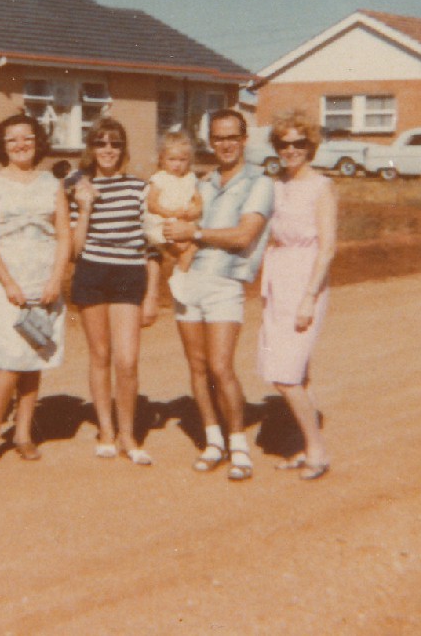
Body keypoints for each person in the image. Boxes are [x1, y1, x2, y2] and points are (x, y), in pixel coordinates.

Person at [163, 109, 273, 481]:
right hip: (189, 281)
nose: (225, 144)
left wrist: (193, 234)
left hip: (225, 283)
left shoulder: (259, 183)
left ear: (244, 139)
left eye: (232, 137)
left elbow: (244, 236)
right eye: (219, 138)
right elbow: (177, 231)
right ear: (211, 142)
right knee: (197, 367)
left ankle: (238, 444)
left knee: (220, 366)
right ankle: (213, 441)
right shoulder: (202, 184)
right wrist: (171, 238)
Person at [0, 114, 72, 467]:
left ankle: (23, 433)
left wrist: (55, 280)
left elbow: (64, 235)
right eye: (12, 139)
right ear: (3, 146)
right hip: (7, 284)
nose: (20, 145)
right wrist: (9, 283)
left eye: (27, 138)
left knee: (33, 359)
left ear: (37, 141)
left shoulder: (51, 183)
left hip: (44, 283)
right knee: (8, 361)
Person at [69, 117, 160, 465]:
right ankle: (106, 431)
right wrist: (85, 207)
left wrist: (152, 295)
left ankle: (128, 433)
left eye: (115, 143)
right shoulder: (77, 187)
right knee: (100, 356)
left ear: (122, 149)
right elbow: (74, 252)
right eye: (100, 143)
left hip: (128, 275)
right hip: (92, 273)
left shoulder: (140, 188)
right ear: (91, 148)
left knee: (127, 360)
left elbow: (152, 246)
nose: (107, 150)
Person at [258, 111, 336, 481]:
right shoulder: (276, 185)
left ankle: (317, 451)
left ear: (310, 147)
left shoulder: (321, 187)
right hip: (278, 278)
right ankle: (303, 448)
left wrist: (309, 297)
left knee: (285, 374)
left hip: (306, 280)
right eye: (284, 144)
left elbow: (328, 248)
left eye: (298, 144)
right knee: (297, 373)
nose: (291, 151)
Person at [144, 130, 203, 274]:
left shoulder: (190, 178)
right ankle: (171, 268)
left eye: (182, 160)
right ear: (162, 159)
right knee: (177, 247)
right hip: (164, 220)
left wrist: (196, 210)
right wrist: (170, 213)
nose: (177, 165)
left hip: (185, 220)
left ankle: (181, 275)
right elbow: (152, 204)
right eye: (172, 159)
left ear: (189, 160)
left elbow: (198, 199)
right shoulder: (160, 178)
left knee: (191, 247)